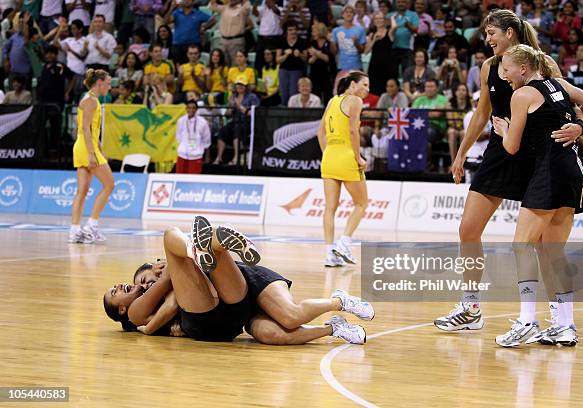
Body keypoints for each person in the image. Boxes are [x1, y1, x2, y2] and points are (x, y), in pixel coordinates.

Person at [438, 9, 583, 332]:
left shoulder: (543, 64)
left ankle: (556, 317)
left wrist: (577, 126)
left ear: (509, 33)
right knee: (468, 229)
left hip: (537, 157)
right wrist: (461, 153)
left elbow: (570, 106)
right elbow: (481, 115)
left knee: (544, 246)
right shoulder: (489, 68)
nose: (486, 39)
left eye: (491, 32)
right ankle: (470, 306)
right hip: (500, 152)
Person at [104, 216, 372, 345]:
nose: (147, 281)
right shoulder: (144, 310)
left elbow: (172, 302)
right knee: (273, 336)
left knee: (291, 316)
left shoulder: (165, 286)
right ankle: (334, 328)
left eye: (146, 275)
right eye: (117, 292)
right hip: (228, 311)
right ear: (122, 309)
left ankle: (340, 301)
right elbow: (171, 302)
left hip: (247, 280)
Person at [491, 44, 583, 347]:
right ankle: (565, 326)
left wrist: (504, 131)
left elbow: (512, 148)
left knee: (521, 246)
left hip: (549, 172)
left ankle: (527, 321)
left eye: (507, 69)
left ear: (523, 68)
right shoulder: (561, 84)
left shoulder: (522, 94)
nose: (505, 76)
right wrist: (579, 126)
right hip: (573, 172)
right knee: (553, 252)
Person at [316, 71, 370, 267]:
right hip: (347, 156)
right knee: (362, 203)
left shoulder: (332, 101)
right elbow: (353, 130)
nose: (367, 89)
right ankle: (344, 242)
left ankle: (329, 253)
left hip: (330, 156)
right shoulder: (355, 100)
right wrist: (357, 157)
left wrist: (327, 154)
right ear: (353, 85)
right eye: (364, 84)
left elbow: (319, 132)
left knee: (330, 208)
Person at [69, 69, 115, 244]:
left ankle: (74, 231)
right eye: (108, 83)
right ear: (100, 83)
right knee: (110, 185)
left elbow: (89, 129)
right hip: (86, 148)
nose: (109, 87)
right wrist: (91, 153)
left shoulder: (90, 99)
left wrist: (99, 147)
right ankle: (91, 227)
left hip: (85, 146)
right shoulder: (90, 101)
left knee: (82, 191)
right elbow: (86, 129)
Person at [214, 76, 259, 166]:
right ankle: (219, 158)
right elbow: (227, 115)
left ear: (246, 86)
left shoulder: (252, 97)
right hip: (235, 121)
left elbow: (253, 113)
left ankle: (236, 158)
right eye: (238, 84)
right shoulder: (233, 96)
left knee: (237, 129)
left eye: (242, 84)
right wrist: (230, 108)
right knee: (223, 131)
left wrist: (239, 106)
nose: (240, 86)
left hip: (247, 122)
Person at [209, 0, 251, 67]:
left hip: (236, 40)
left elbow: (247, 5)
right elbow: (211, 5)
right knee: (223, 64)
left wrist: (238, 2)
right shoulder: (224, 8)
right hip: (223, 40)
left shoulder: (242, 9)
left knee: (236, 64)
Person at [364, 11, 396, 97]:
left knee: (386, 88)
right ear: (374, 21)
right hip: (375, 65)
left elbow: (394, 27)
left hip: (387, 64)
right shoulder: (372, 35)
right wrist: (374, 40)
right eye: (377, 18)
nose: (379, 20)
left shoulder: (389, 32)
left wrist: (392, 18)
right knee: (374, 89)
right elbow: (366, 51)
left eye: (381, 18)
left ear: (385, 20)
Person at [175, 100, 211, 174]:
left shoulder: (203, 122)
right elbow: (178, 136)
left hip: (196, 156)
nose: (191, 110)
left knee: (193, 181)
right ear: (186, 109)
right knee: (179, 179)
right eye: (189, 108)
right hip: (182, 155)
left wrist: (198, 148)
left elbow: (206, 139)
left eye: (193, 108)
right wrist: (184, 146)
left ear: (196, 109)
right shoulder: (181, 120)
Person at [277, 21, 307, 105]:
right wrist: (285, 55)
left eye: (295, 30)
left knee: (293, 93)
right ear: (286, 31)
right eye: (290, 30)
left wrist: (300, 54)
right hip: (284, 70)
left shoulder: (301, 41)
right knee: (284, 94)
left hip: (297, 70)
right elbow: (277, 60)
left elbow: (305, 58)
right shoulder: (282, 41)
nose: (293, 32)